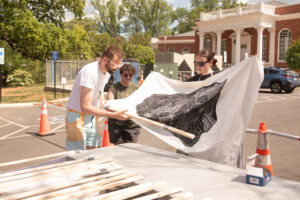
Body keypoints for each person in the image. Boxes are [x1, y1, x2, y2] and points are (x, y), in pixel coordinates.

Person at [65, 45, 129, 151]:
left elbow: (99, 90)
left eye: (119, 65)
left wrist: (102, 100)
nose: (117, 68)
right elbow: (85, 107)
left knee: (94, 150)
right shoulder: (89, 72)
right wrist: (112, 115)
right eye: (115, 64)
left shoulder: (107, 72)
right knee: (77, 155)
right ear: (105, 60)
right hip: (76, 115)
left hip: (91, 116)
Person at [107, 64, 141, 144]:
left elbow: (140, 105)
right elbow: (109, 105)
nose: (128, 77)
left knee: (131, 151)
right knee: (118, 151)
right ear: (121, 74)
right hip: (116, 126)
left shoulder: (136, 89)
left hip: (132, 126)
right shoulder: (114, 88)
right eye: (126, 75)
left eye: (130, 75)